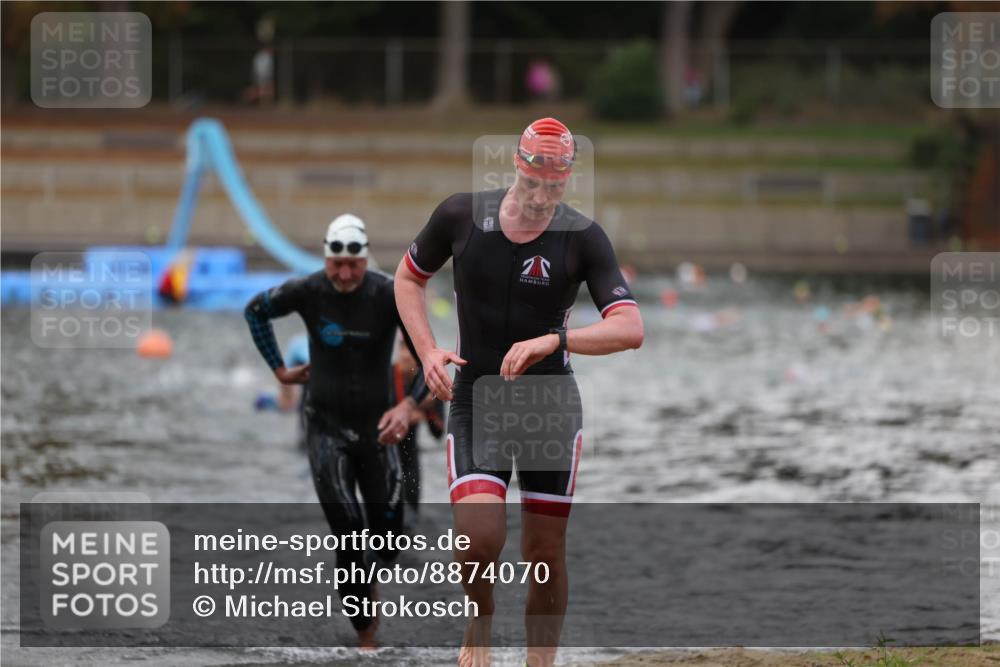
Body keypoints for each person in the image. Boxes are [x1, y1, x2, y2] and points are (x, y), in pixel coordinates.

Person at [394, 118, 644, 667]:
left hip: (549, 407)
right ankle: (480, 617)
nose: (540, 197)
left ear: (567, 178)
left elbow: (630, 328)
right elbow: (408, 278)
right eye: (532, 183)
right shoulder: (460, 216)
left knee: (544, 554)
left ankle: (540, 665)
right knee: (477, 541)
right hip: (477, 400)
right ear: (516, 165)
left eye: (553, 186)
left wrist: (556, 339)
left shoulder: (582, 237)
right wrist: (427, 350)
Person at [244, 213, 427, 648]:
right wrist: (279, 370)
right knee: (348, 528)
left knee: (388, 537)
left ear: (365, 259)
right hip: (326, 428)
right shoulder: (308, 290)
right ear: (326, 258)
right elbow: (255, 311)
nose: (344, 274)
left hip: (377, 431)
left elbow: (428, 355)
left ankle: (370, 580)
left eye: (353, 265)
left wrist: (407, 405)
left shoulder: (389, 293)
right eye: (336, 265)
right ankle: (366, 638)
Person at [391, 339, 446, 522]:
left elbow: (438, 432)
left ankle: (412, 519)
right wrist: (403, 415)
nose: (407, 357)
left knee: (410, 475)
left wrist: (428, 410)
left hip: (410, 454)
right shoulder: (386, 377)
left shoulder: (429, 382)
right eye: (404, 351)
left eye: (412, 353)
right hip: (384, 450)